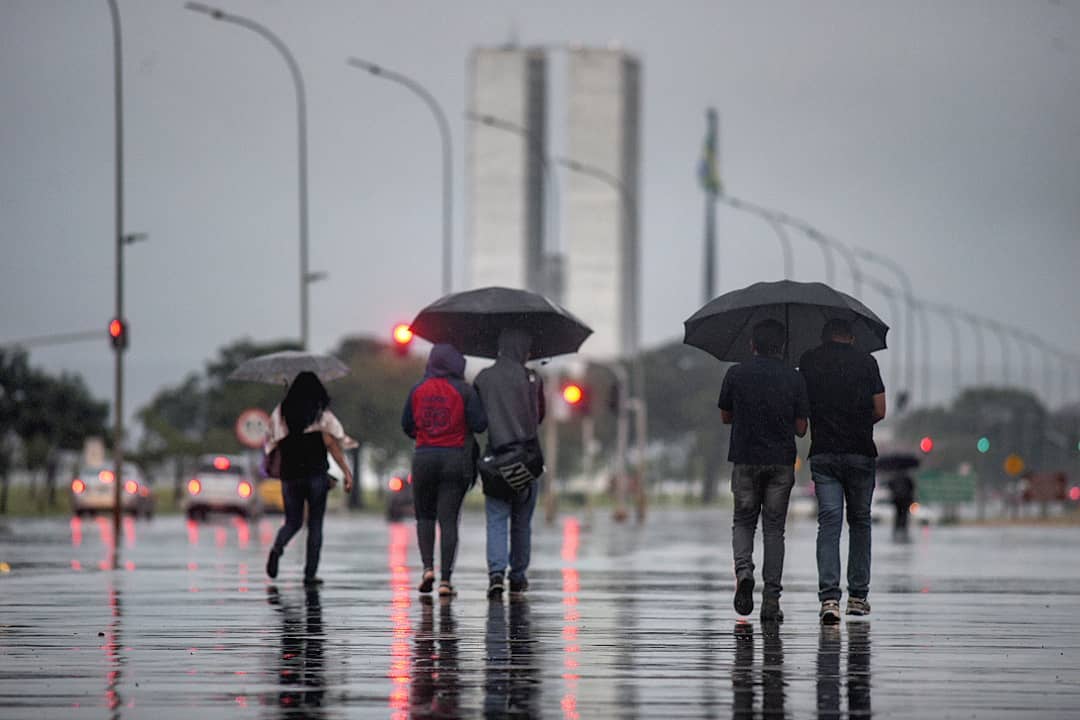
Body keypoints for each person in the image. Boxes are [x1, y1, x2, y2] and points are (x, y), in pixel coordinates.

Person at [718, 319, 809, 622]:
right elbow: (801, 428)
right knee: (774, 530)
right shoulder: (794, 378)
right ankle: (771, 599)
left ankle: (744, 572)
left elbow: (725, 416)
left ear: (752, 345)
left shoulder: (736, 373)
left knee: (743, 522)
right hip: (781, 462)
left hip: (744, 459)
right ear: (782, 347)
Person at [798, 318, 887, 624]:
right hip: (861, 452)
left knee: (830, 523)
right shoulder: (867, 362)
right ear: (851, 336)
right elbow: (880, 409)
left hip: (824, 453)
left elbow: (802, 406)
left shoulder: (809, 361)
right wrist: (858, 424)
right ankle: (859, 597)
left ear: (824, 335)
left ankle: (829, 600)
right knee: (860, 521)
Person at [401, 343, 487, 597]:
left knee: (424, 517)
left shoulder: (417, 389)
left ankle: (427, 568)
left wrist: (426, 433)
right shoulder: (465, 391)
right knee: (448, 521)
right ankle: (446, 581)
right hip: (455, 459)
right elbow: (480, 425)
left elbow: (406, 425)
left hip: (424, 458)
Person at [474, 329, 546, 599]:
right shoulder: (532, 378)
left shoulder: (483, 378)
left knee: (496, 518)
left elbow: (479, 420)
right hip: (526, 461)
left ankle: (496, 574)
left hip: (496, 461)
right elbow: (540, 416)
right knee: (522, 521)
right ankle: (518, 576)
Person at [264, 371, 354, 586]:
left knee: (292, 522)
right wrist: (347, 473)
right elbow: (333, 444)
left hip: (290, 476)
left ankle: (277, 548)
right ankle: (310, 574)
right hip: (315, 476)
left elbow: (271, 442)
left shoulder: (281, 412)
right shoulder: (321, 414)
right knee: (315, 525)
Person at [887, 470, 916, 541]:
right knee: (904, 514)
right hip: (905, 500)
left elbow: (890, 486)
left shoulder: (894, 478)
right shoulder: (907, 478)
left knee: (898, 514)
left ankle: (897, 528)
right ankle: (903, 527)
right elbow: (912, 487)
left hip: (897, 500)